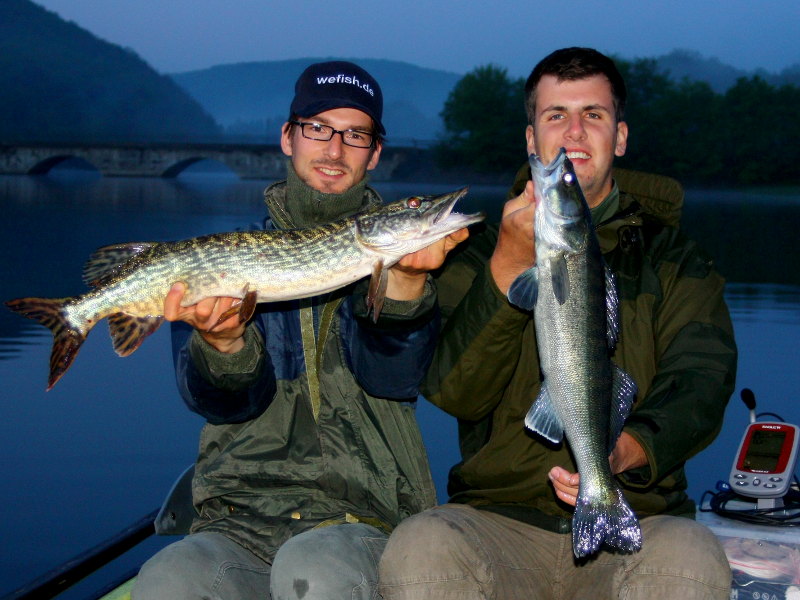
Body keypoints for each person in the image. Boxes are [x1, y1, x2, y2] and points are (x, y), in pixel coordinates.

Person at [378, 47, 738, 599]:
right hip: (496, 522)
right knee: (421, 546)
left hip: (636, 515)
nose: (574, 132)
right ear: (530, 140)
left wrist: (625, 450)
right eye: (555, 116)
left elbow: (702, 381)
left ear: (619, 136)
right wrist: (506, 265)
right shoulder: (470, 255)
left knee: (691, 558)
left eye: (593, 115)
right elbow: (455, 392)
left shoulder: (676, 259)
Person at [133, 60, 468, 600]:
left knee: (311, 570)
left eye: (355, 134)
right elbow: (219, 404)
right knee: (167, 579)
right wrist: (224, 344)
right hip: (240, 515)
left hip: (364, 510)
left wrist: (405, 283)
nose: (335, 149)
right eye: (318, 128)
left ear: (375, 153)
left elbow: (396, 379)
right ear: (287, 138)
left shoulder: (412, 265)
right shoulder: (226, 257)